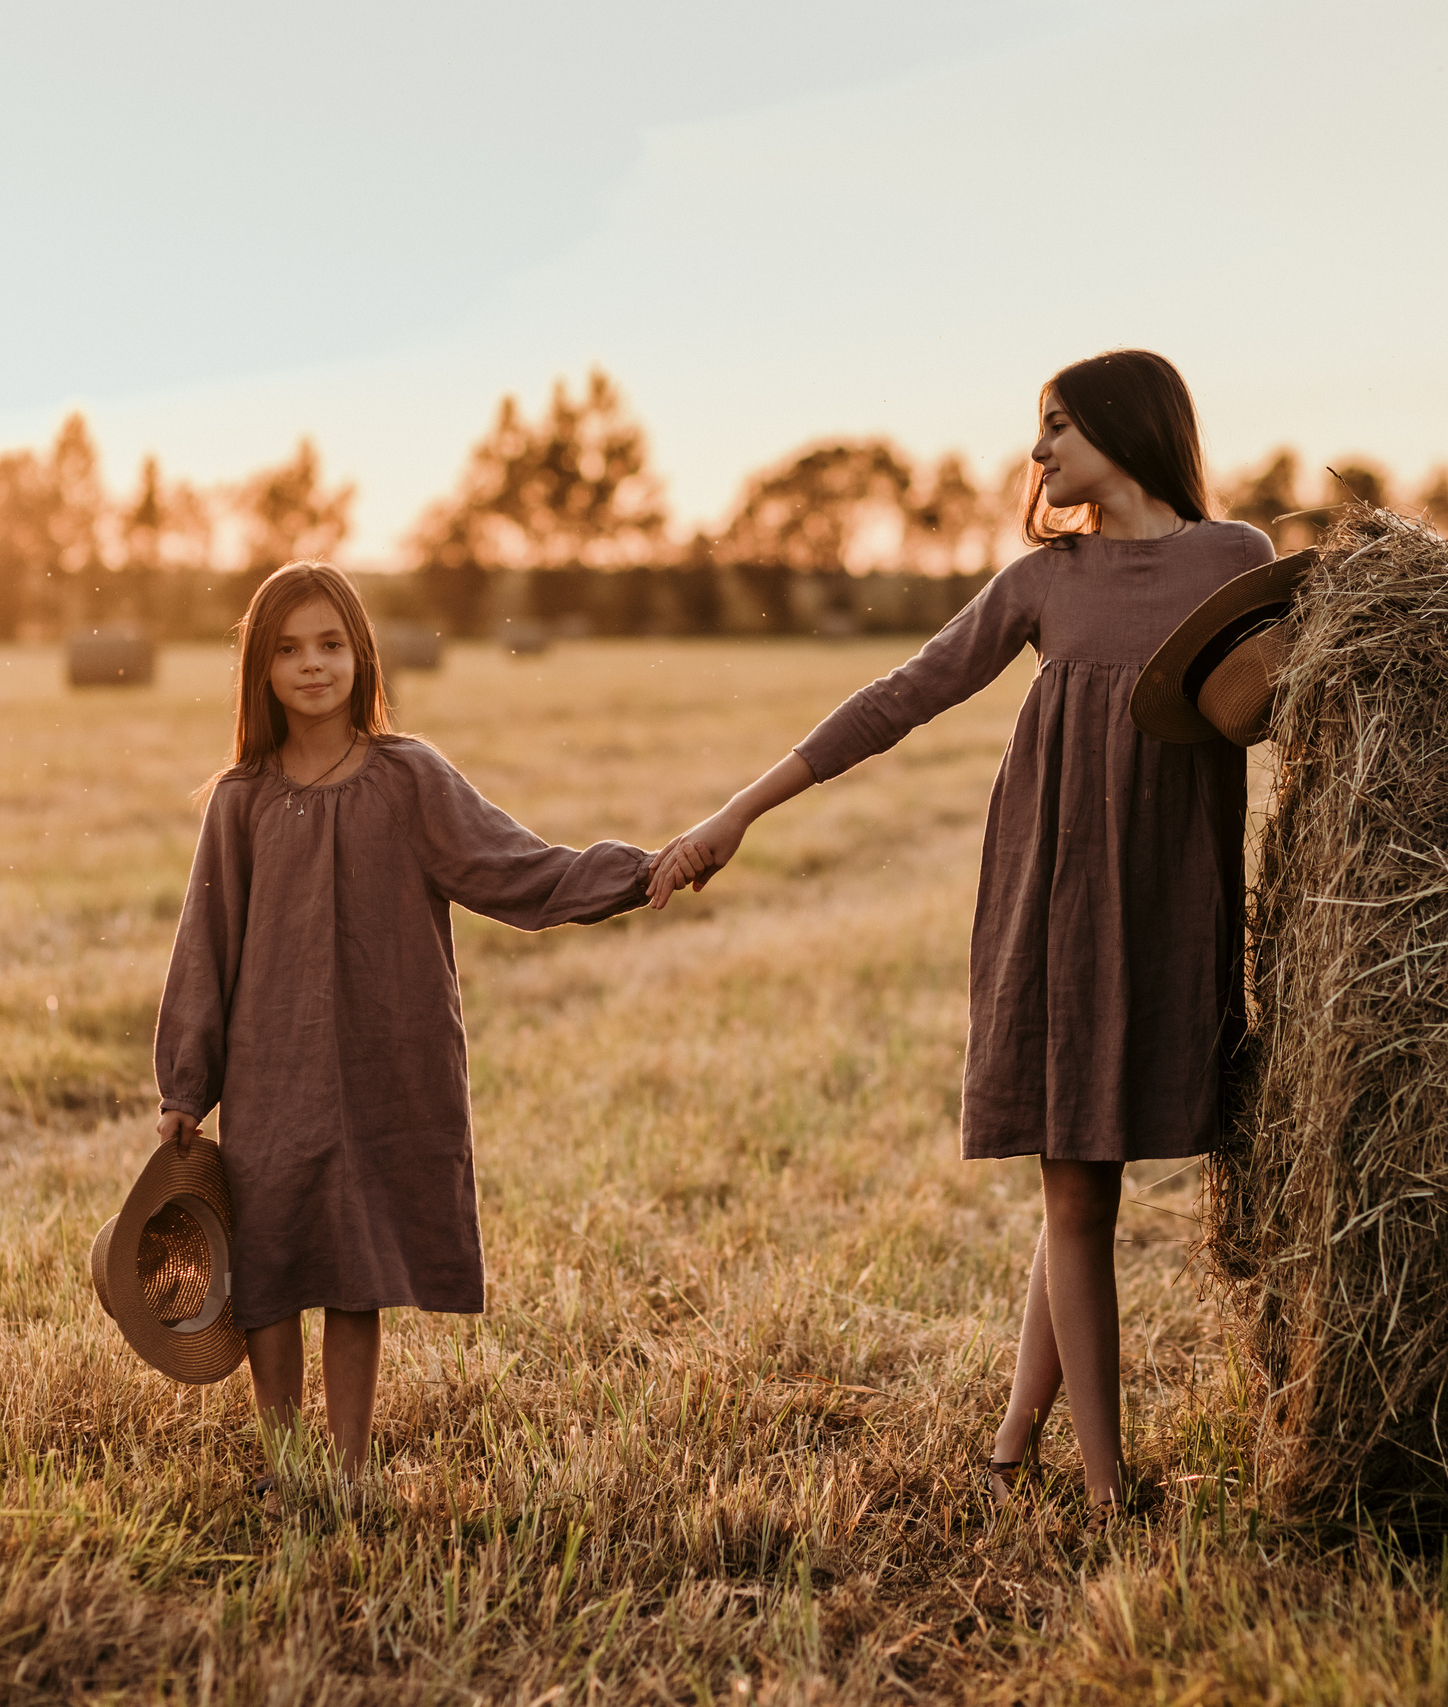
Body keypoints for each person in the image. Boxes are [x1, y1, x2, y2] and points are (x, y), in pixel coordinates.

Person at [649, 350, 1275, 1511]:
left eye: (1056, 427)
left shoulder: (1233, 562)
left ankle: (1007, 1452)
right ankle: (1103, 1488)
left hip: (1169, 903)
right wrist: (737, 812)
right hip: (1058, 905)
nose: (1035, 453)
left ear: (1123, 427)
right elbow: (899, 696)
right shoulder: (1046, 581)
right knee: (1079, 1190)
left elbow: (1290, 697)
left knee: (1087, 1189)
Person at [154, 561, 664, 1486]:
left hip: (385, 1058)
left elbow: (516, 867)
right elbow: (205, 944)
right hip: (272, 1073)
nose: (313, 665)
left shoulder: (408, 776)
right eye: (288, 649)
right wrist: (186, 1083)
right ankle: (284, 1458)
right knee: (268, 1263)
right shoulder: (241, 798)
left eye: (331, 644)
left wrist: (635, 872)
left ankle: (346, 1469)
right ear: (260, 671)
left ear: (363, 653)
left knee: (356, 1263)